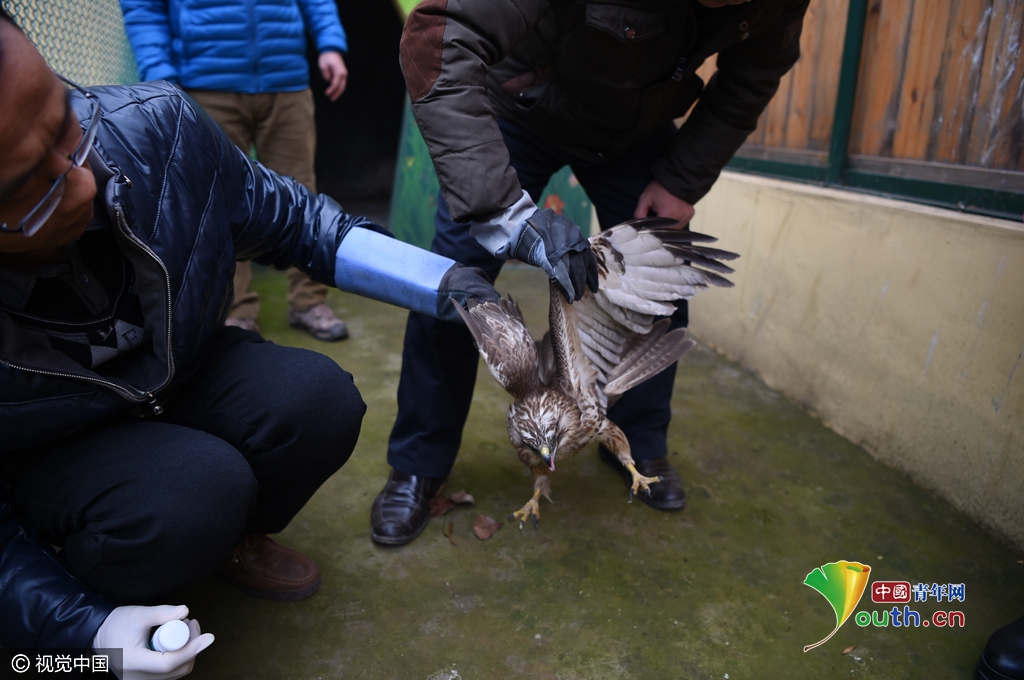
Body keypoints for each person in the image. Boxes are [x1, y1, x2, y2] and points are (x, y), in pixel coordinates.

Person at [0, 12, 496, 678]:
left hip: (175, 375)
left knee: (317, 400)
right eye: (30, 188)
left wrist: (450, 284)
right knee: (196, 490)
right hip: (53, 451)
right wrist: (83, 632)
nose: (84, 181)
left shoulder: (157, 128)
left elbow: (294, 220)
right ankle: (94, 574)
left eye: (67, 123)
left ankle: (223, 544)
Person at [371, 0, 811, 545]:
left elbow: (755, 73)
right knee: (456, 281)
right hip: (521, 105)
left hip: (633, 130)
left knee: (659, 274)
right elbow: (437, 37)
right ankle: (419, 462)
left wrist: (681, 179)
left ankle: (636, 441)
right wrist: (501, 210)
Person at [120, 0, 353, 341]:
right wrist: (159, 74)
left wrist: (330, 43)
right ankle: (236, 309)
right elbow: (144, 7)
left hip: (285, 79)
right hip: (206, 82)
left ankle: (308, 302)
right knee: (220, 201)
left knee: (304, 193)